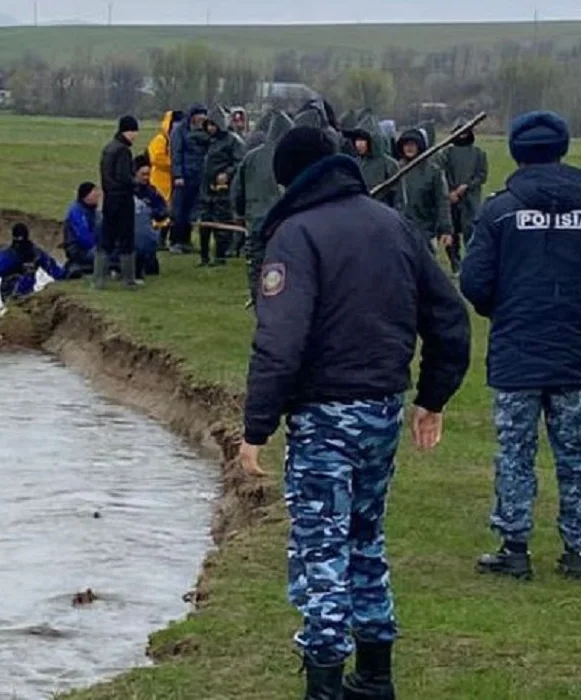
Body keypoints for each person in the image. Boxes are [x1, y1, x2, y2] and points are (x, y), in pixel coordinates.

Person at [239, 126, 471, 700]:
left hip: (323, 416)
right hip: (383, 410)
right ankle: (375, 675)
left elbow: (281, 341)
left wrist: (256, 428)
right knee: (366, 538)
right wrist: (432, 397)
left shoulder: (295, 234)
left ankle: (324, 681)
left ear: (287, 178)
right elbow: (449, 317)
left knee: (320, 547)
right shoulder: (392, 224)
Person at [461, 111, 581, 581]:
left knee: (515, 450)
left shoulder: (499, 210)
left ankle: (515, 546)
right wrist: (579, 309)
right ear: (562, 148)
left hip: (516, 351)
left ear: (517, 152)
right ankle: (576, 549)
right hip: (573, 348)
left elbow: (474, 280)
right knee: (574, 452)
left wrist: (505, 311)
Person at [233, 108, 292, 300]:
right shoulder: (293, 157)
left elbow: (237, 190)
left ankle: (260, 302)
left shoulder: (251, 157)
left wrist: (240, 214)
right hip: (283, 225)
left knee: (257, 267)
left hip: (256, 222)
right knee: (282, 268)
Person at [98, 115, 140, 290]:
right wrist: (136, 183)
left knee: (107, 238)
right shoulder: (123, 150)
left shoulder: (108, 148)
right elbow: (124, 177)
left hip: (109, 198)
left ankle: (98, 278)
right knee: (126, 238)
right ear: (128, 131)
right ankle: (129, 280)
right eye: (135, 131)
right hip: (123, 199)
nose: (136, 136)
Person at [442, 120, 489, 274]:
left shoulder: (478, 154)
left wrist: (466, 186)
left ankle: (471, 265)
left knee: (471, 232)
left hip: (470, 200)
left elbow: (481, 175)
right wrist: (450, 191)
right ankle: (456, 264)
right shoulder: (447, 154)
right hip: (451, 200)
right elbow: (442, 173)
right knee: (451, 232)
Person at [396, 129, 453, 256]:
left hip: (426, 231)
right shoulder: (395, 170)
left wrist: (446, 230)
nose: (409, 148)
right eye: (406, 144)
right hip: (399, 230)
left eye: (413, 144)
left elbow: (442, 201)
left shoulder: (434, 172)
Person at [198, 117, 245, 266]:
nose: (211, 128)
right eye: (208, 125)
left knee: (222, 222)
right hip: (206, 187)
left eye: (214, 124)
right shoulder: (207, 140)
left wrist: (228, 173)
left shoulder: (232, 141)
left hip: (223, 188)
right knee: (204, 223)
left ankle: (220, 256)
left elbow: (240, 162)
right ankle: (204, 257)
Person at [0, 224, 66, 301]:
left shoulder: (34, 254)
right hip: (12, 295)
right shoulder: (9, 255)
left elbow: (51, 267)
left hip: (22, 294)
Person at [169, 104, 210, 254]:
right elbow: (176, 153)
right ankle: (175, 241)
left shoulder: (204, 131)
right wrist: (178, 175)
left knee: (192, 210)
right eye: (200, 114)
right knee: (180, 209)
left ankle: (186, 240)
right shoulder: (179, 130)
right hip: (184, 176)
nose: (203, 118)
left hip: (198, 176)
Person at [345, 115, 401, 210]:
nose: (358, 144)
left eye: (362, 140)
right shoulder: (354, 164)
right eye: (357, 140)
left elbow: (398, 199)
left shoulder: (389, 165)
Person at [133, 155, 169, 280]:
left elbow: (163, 208)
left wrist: (158, 213)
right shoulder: (128, 192)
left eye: (148, 174)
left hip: (148, 233)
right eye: (143, 174)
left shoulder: (151, 191)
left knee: (152, 270)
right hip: (132, 234)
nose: (146, 177)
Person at [62, 182, 101, 279]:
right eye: (94, 192)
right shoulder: (76, 211)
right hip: (80, 251)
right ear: (86, 196)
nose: (98, 195)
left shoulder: (94, 212)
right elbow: (84, 238)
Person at [148, 110, 182, 208]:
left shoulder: (177, 140)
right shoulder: (160, 139)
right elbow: (156, 158)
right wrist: (174, 164)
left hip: (171, 181)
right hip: (159, 180)